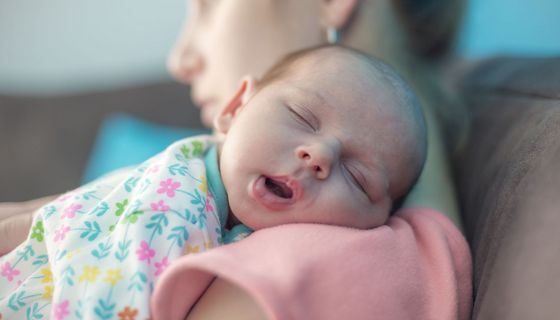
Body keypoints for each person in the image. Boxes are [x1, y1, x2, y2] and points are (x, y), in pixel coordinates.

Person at [1, 0, 469, 319]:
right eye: (302, 116)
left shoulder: (359, 255)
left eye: (208, 5)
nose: (179, 58)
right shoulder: (208, 182)